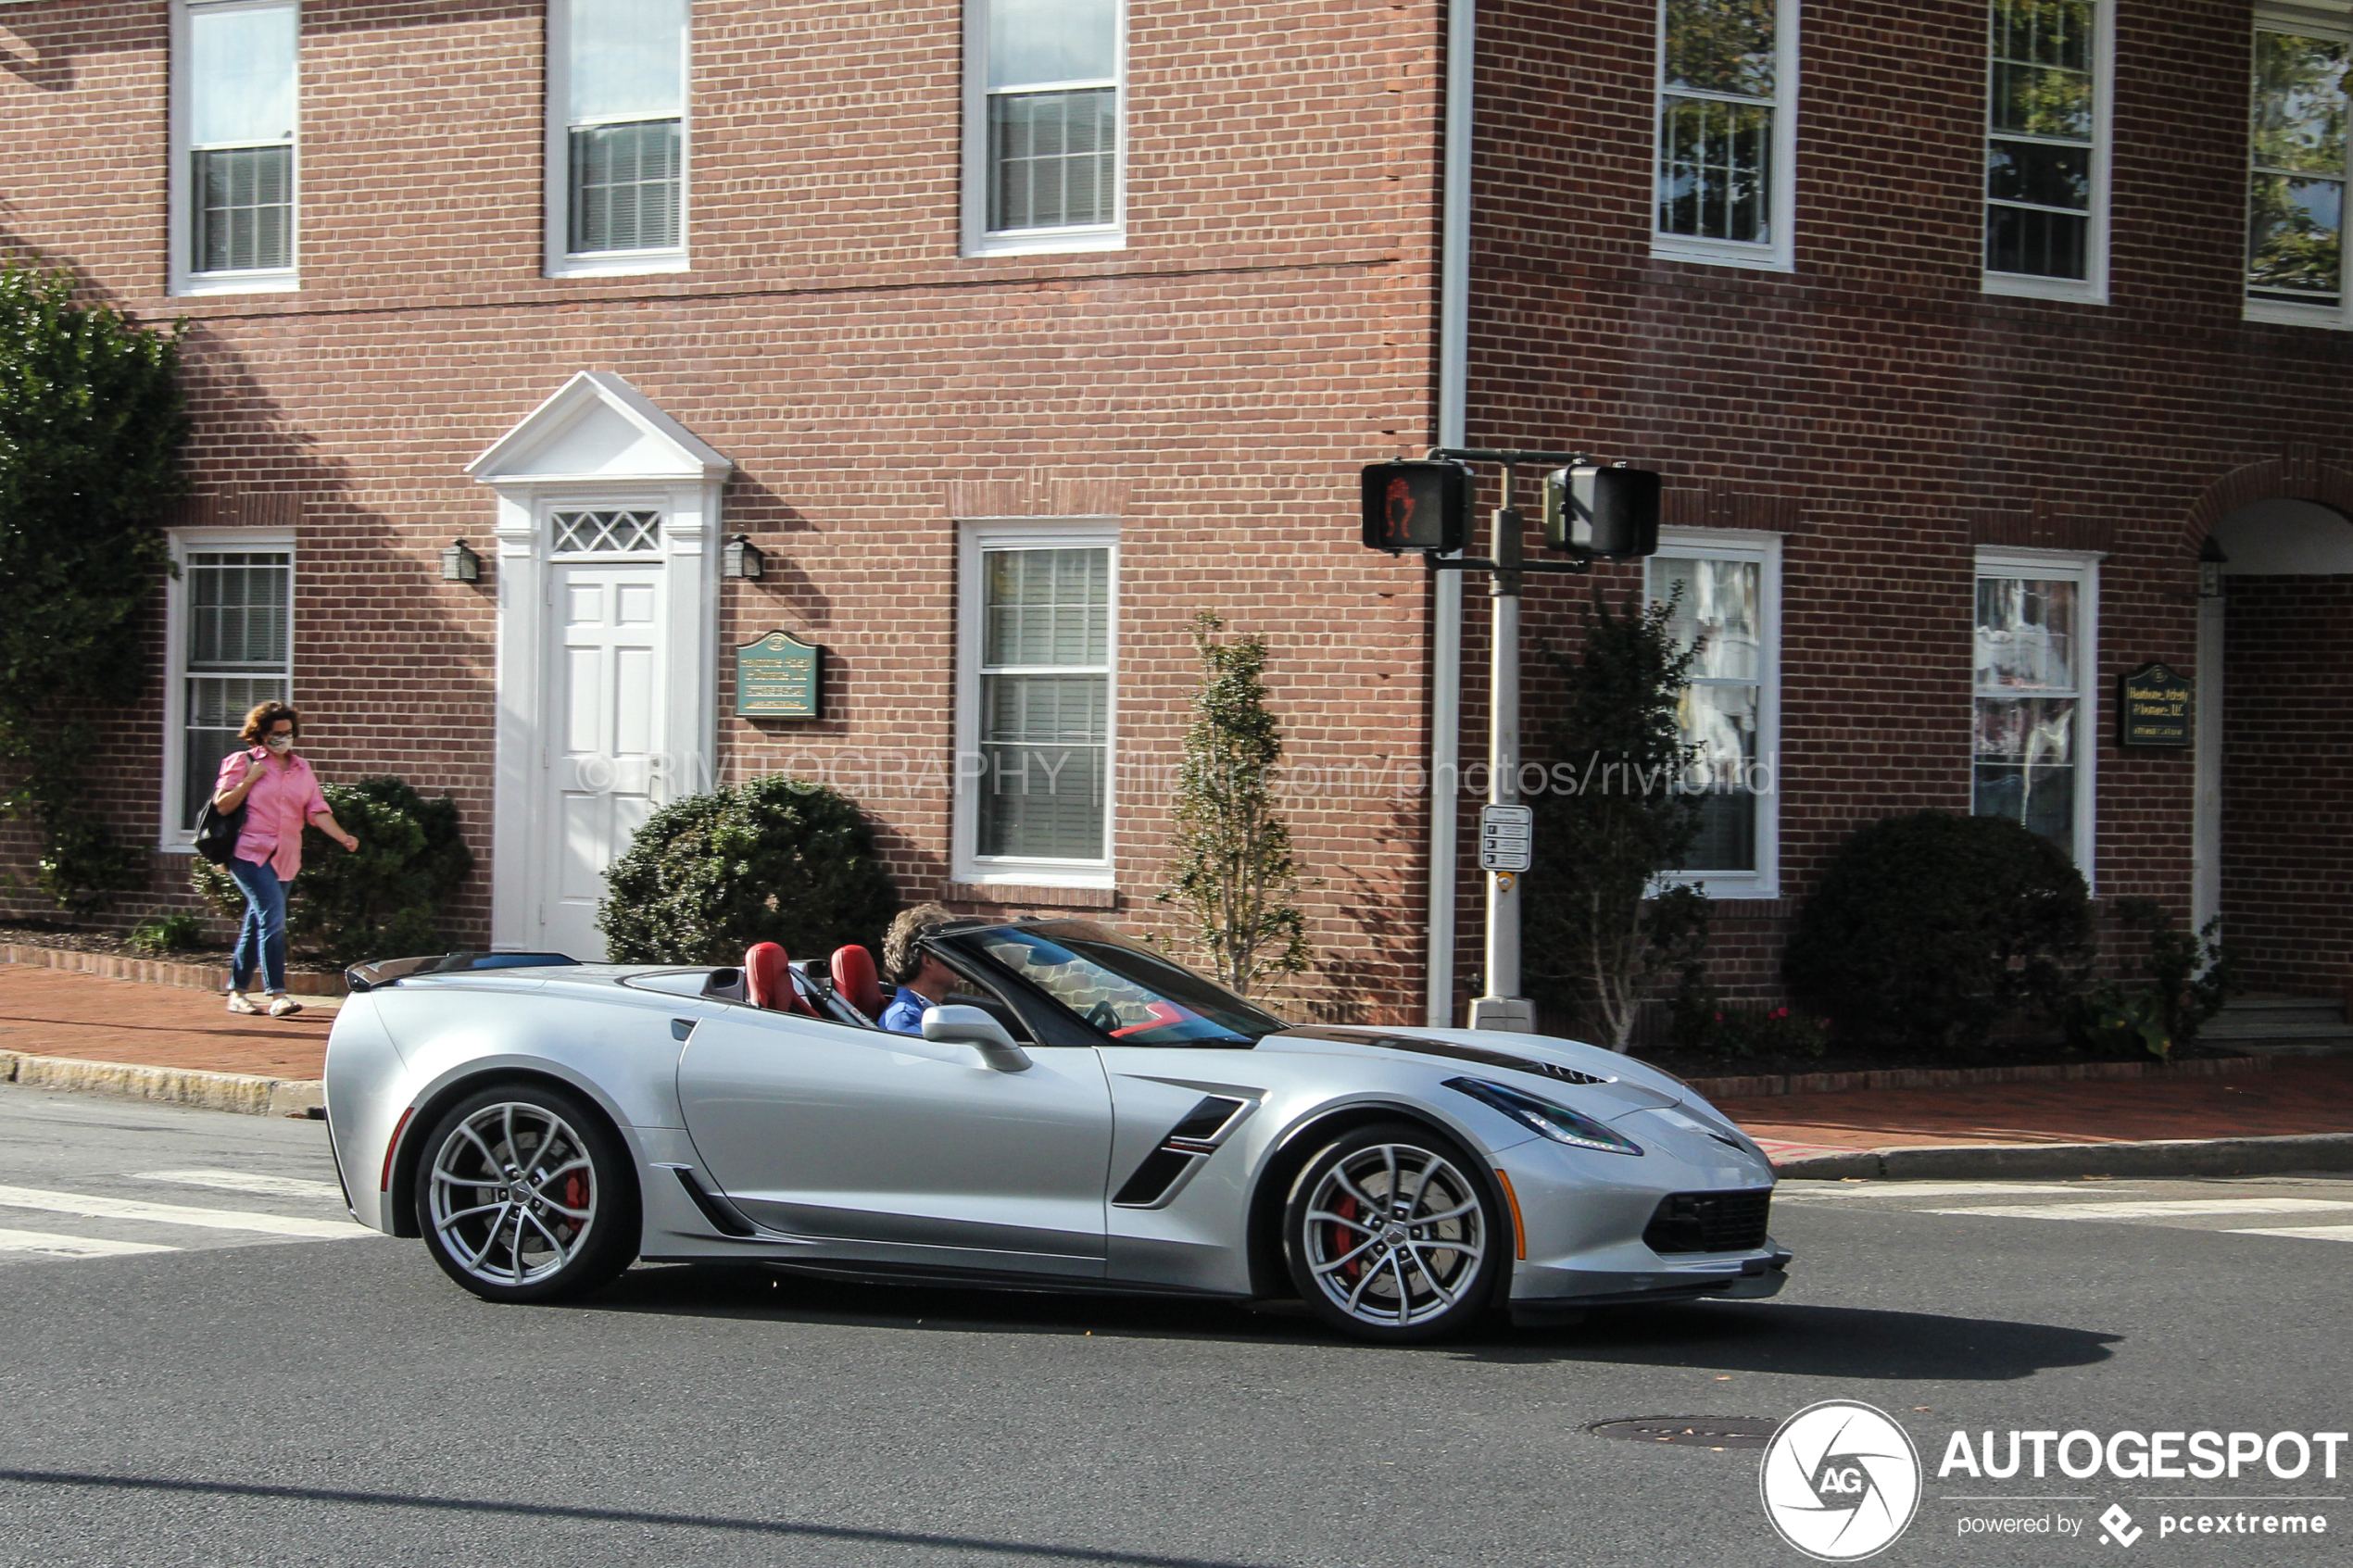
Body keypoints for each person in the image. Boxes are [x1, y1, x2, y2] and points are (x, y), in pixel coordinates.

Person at [211, 702, 358, 1018]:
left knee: (258, 923)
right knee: (273, 916)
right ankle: (277, 994)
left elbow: (316, 810)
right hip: (248, 852)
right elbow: (222, 806)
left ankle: (237, 992)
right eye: (276, 734)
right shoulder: (242, 761)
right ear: (260, 734)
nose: (283, 738)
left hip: (286, 857)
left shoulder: (301, 769)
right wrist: (250, 779)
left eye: (288, 733)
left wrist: (343, 836)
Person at [877, 902, 959, 1036]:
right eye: (950, 950)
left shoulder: (924, 1011)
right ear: (928, 961)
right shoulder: (904, 1021)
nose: (958, 959)